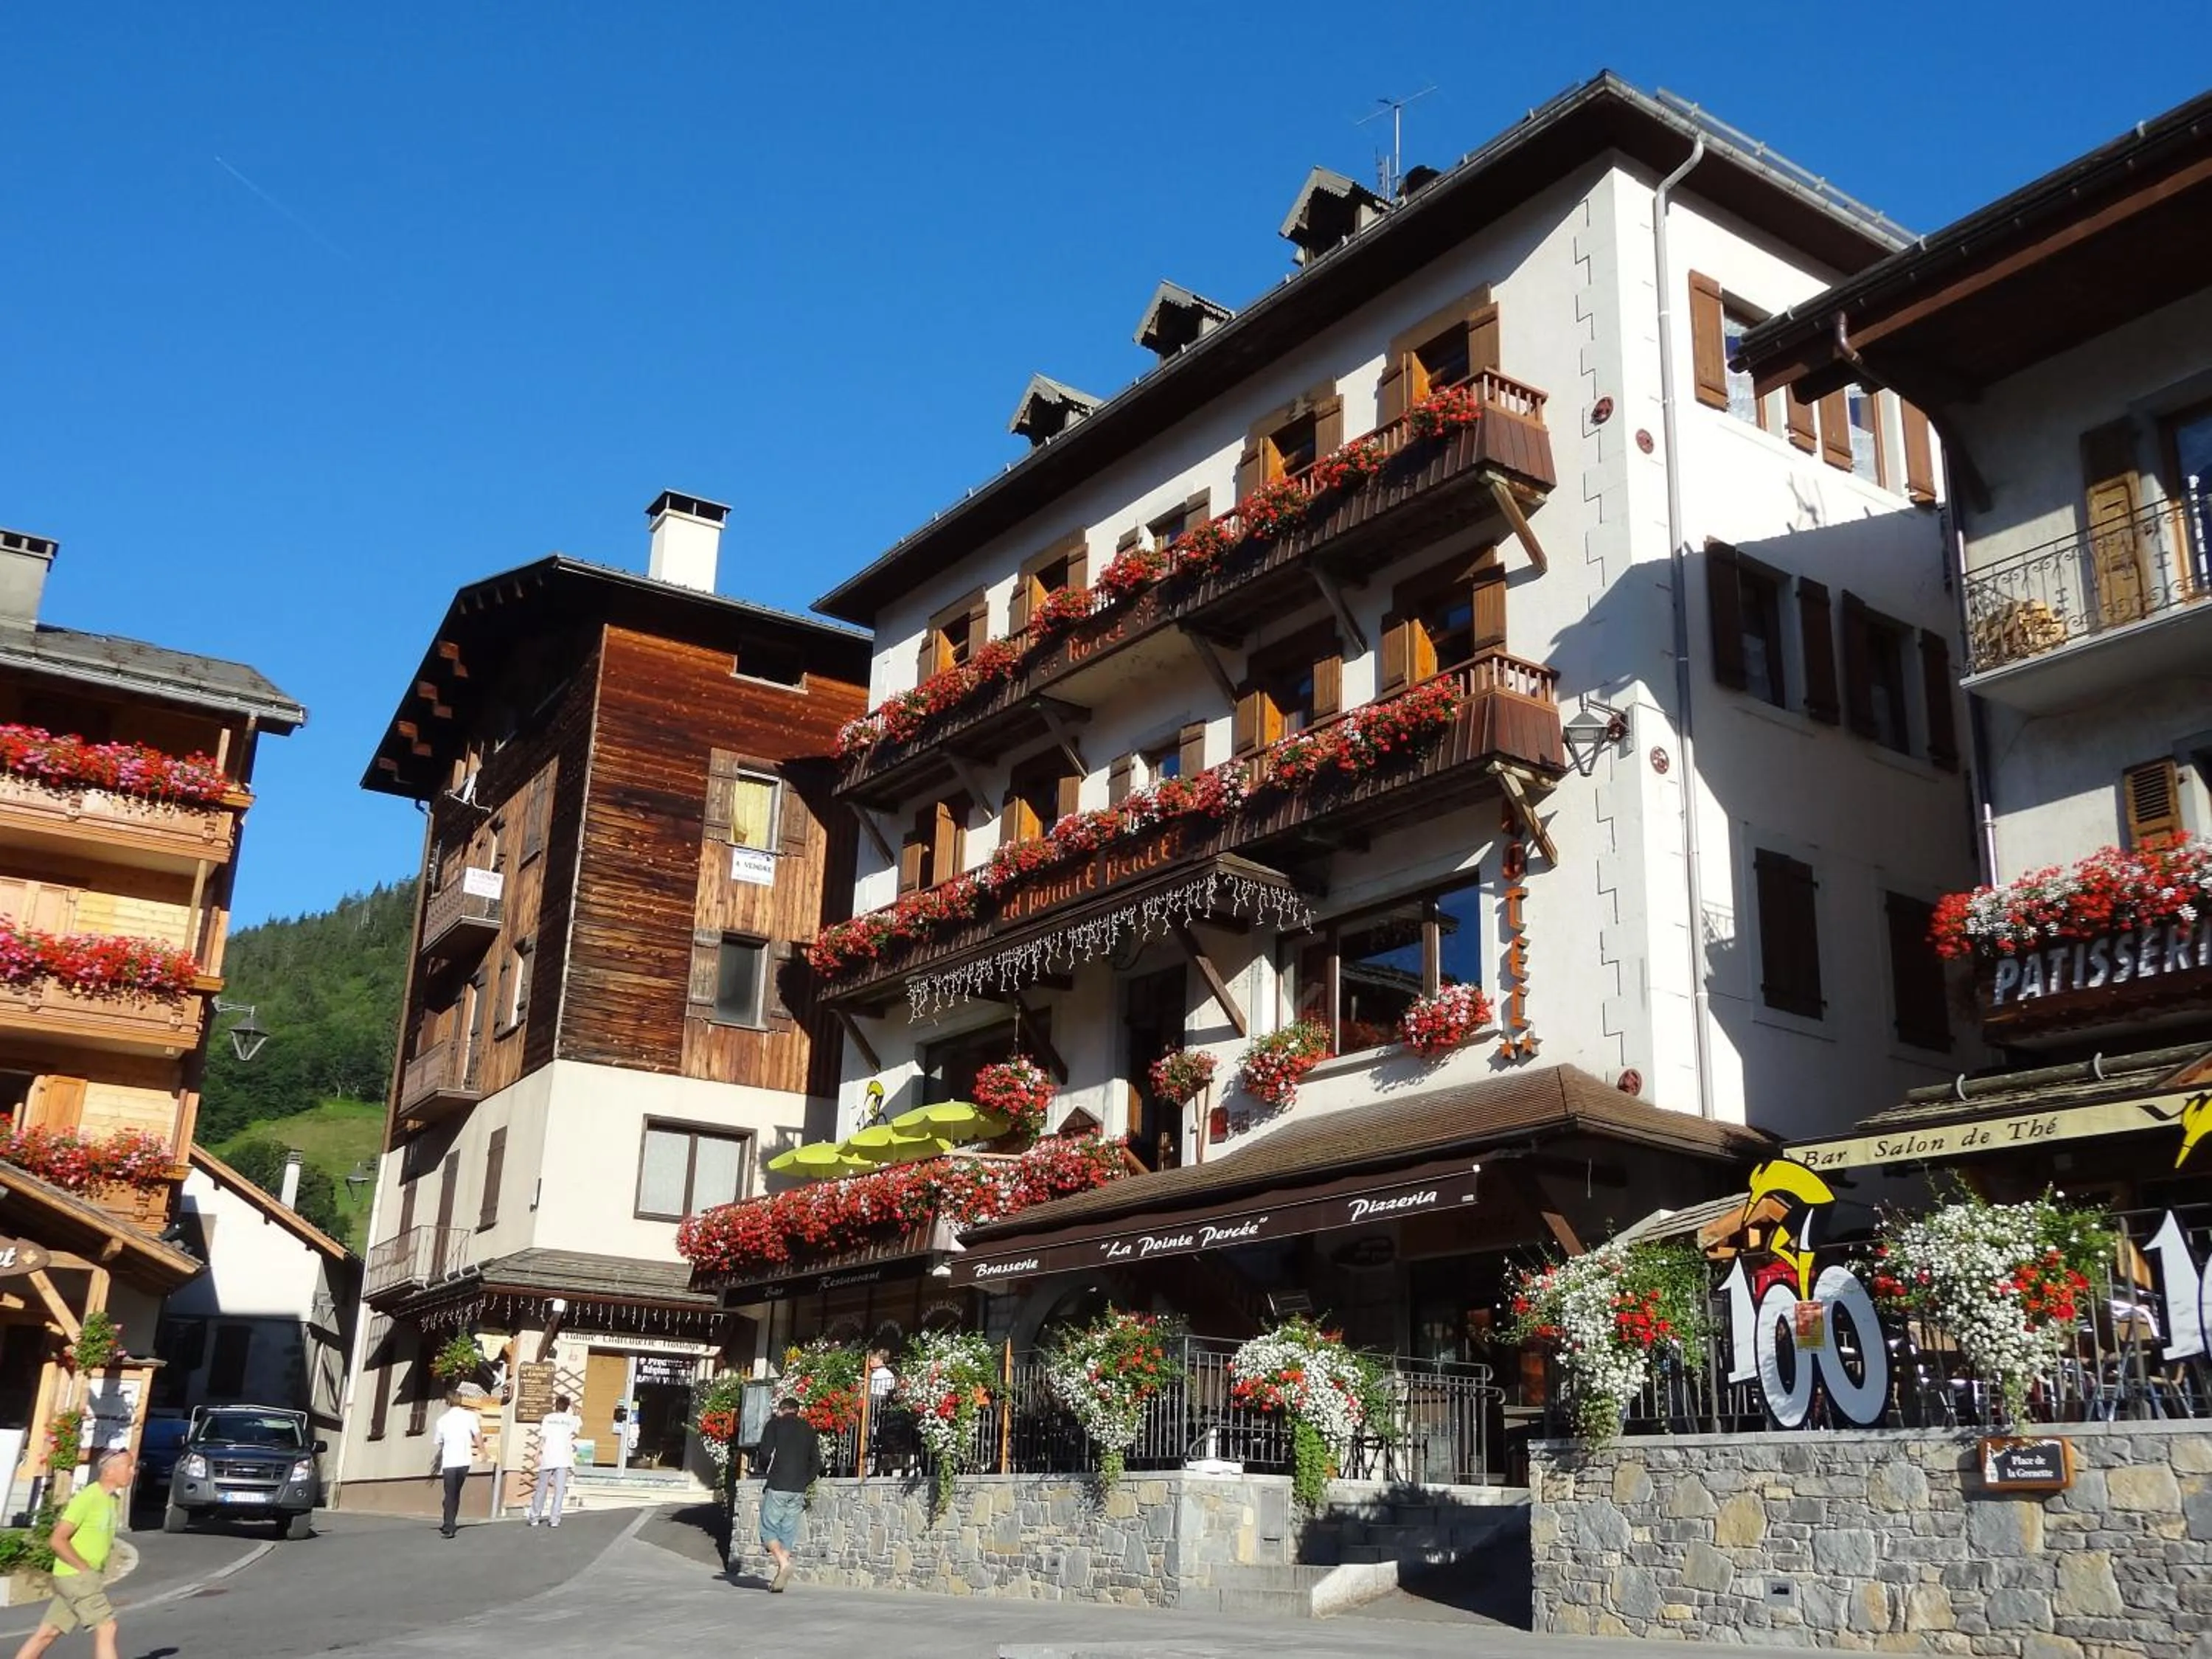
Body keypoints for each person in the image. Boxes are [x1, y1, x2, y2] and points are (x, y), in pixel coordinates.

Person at [15, 1450, 132, 1659]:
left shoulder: (110, 1499)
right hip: (77, 1577)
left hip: (78, 1577)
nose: (133, 1472)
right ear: (110, 1471)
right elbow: (57, 1539)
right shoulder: (88, 1498)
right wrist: (83, 1569)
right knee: (107, 1627)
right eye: (128, 1467)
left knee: (48, 1633)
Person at [753, 1395, 818, 1593]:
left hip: (778, 1484)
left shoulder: (775, 1425)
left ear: (781, 1410)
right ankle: (781, 1574)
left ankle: (783, 1563)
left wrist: (764, 1469)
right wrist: (805, 1480)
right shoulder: (808, 1429)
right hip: (798, 1488)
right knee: (788, 1532)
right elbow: (816, 1462)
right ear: (797, 1411)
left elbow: (765, 1453)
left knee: (767, 1528)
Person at [431, 1391, 483, 1539]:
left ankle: (449, 1522)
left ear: (447, 1402)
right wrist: (482, 1450)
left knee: (450, 1492)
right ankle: (450, 1522)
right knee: (455, 1492)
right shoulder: (470, 1416)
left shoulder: (442, 1420)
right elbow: (477, 1435)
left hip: (449, 1462)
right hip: (464, 1460)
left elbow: (439, 1441)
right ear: (461, 1401)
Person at [527, 1394, 583, 1528]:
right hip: (563, 1458)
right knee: (559, 1490)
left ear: (555, 1405)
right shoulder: (571, 1420)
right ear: (567, 1407)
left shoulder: (548, 1418)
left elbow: (543, 1437)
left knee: (541, 1488)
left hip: (548, 1457)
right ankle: (554, 1519)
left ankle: (534, 1516)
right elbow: (578, 1415)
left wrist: (537, 1453)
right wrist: (573, 1406)